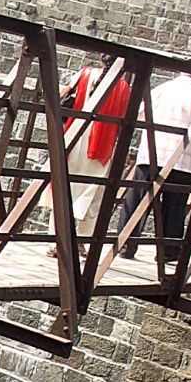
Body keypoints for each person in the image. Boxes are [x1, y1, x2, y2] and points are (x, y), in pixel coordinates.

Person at [116, 71, 191, 262]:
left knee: (137, 200)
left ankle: (126, 245)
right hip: (182, 159)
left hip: (153, 153)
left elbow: (140, 113)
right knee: (174, 207)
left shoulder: (161, 88)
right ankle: (168, 252)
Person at [47, 58, 132, 255]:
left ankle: (55, 240)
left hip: (75, 135)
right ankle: (80, 240)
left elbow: (62, 94)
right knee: (92, 193)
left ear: (102, 61)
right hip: (101, 143)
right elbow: (124, 121)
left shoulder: (85, 74)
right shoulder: (123, 87)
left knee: (64, 187)